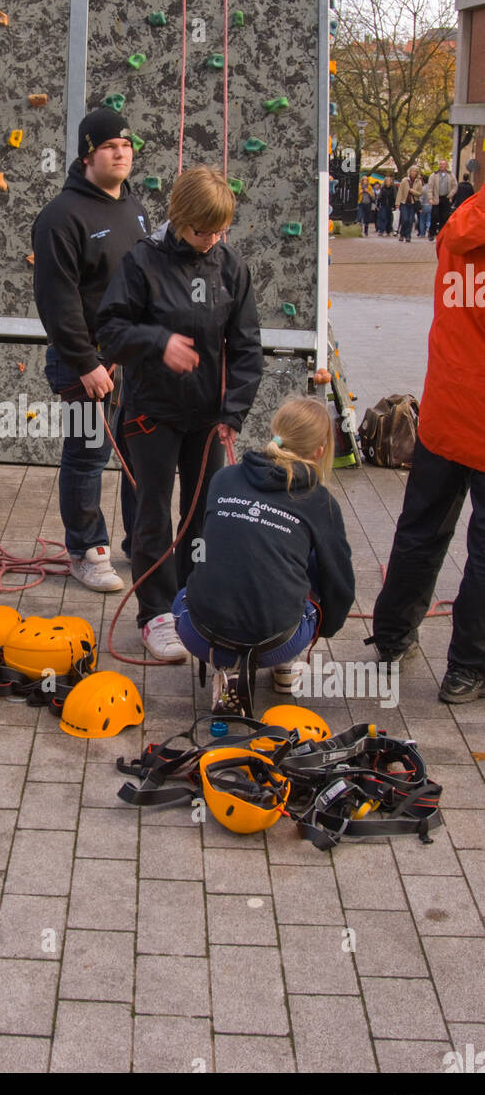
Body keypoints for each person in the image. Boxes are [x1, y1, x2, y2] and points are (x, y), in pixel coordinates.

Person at [96, 166, 263, 660]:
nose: (210, 240)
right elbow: (110, 329)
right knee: (153, 513)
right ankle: (155, 614)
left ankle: (192, 602)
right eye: (200, 230)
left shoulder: (231, 266)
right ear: (179, 216)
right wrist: (157, 341)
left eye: (219, 231)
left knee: (203, 515)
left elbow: (247, 346)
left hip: (209, 417)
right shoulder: (142, 262)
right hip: (151, 411)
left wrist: (234, 410)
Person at [369, 184, 485, 703]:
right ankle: (469, 667)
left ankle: (393, 635)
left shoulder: (460, 222)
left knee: (420, 530)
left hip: (444, 408)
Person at [174, 397, 355, 696]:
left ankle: (226, 668)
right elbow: (340, 584)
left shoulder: (224, 478)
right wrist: (323, 629)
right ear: (320, 451)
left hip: (199, 635)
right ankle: (286, 666)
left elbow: (203, 547)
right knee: (308, 555)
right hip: (277, 643)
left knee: (188, 591)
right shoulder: (321, 502)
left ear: (275, 431)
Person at [31, 107, 142, 592]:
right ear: (87, 154)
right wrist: (86, 363)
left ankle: (144, 543)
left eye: (126, 146)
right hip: (86, 364)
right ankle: (86, 550)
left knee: (141, 454)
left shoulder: (135, 208)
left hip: (135, 360)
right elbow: (57, 301)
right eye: (109, 147)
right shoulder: (61, 217)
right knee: (87, 455)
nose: (121, 154)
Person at [426, 160, 458, 240]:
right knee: (434, 216)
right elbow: (430, 187)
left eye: (443, 164)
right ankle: (431, 233)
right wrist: (430, 198)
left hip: (446, 198)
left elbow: (455, 186)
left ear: (446, 165)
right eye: (440, 164)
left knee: (444, 217)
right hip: (436, 198)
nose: (442, 165)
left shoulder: (450, 175)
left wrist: (450, 195)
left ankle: (441, 233)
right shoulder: (434, 175)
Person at [396, 165, 422, 243]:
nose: (413, 173)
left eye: (415, 171)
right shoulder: (404, 180)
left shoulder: (419, 181)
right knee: (404, 219)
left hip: (413, 203)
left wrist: (412, 191)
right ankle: (402, 233)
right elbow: (400, 192)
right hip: (404, 203)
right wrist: (397, 203)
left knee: (410, 220)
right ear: (410, 172)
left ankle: (408, 235)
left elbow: (420, 193)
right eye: (412, 171)